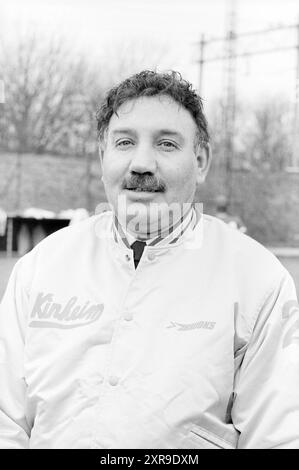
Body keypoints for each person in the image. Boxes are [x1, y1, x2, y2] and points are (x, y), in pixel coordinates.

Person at [0, 70, 298, 449]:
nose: (141, 163)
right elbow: (6, 420)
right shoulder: (41, 267)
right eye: (124, 142)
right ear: (103, 156)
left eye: (167, 144)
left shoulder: (258, 280)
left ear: (201, 160)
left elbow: (279, 436)